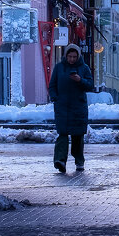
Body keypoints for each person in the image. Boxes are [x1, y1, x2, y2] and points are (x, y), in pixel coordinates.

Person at [47, 43, 94, 173]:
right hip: (62, 107)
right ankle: (60, 161)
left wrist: (80, 80)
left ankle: (79, 161)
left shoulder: (84, 68)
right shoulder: (59, 68)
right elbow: (52, 85)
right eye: (70, 56)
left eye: (74, 57)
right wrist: (55, 98)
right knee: (62, 134)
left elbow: (90, 85)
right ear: (66, 56)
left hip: (78, 107)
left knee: (77, 136)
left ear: (78, 56)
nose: (72, 59)